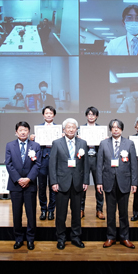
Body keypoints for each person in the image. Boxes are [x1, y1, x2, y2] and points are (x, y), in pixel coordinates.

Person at [96, 119, 138, 249]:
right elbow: (99, 165)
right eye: (113, 127)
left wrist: (134, 182)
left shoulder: (129, 143)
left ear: (122, 129)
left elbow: (134, 165)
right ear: (110, 129)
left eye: (118, 127)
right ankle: (111, 237)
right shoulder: (103, 143)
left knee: (124, 212)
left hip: (124, 182)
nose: (115, 129)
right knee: (110, 212)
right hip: (108, 181)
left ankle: (125, 237)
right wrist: (99, 182)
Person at [49, 118, 89, 250]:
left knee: (76, 213)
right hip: (61, 183)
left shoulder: (83, 143)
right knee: (61, 214)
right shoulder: (57, 143)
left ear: (77, 129)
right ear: (64, 129)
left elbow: (86, 164)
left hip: (77, 183)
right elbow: (52, 164)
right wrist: (54, 182)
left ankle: (76, 237)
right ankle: (61, 238)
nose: (71, 129)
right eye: (68, 127)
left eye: (73, 127)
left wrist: (86, 181)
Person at [5, 121, 41, 250]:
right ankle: (18, 238)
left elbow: (37, 164)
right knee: (17, 214)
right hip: (15, 185)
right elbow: (8, 164)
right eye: (20, 130)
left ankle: (30, 239)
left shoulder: (35, 146)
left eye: (25, 130)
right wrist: (19, 179)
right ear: (16, 132)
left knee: (31, 214)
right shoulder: (10, 145)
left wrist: (28, 179)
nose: (23, 132)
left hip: (30, 185)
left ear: (29, 132)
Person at [30, 106, 57, 220]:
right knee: (41, 186)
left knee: (53, 186)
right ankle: (43, 209)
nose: (49, 115)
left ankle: (51, 210)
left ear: (54, 115)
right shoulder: (38, 129)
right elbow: (33, 145)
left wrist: (63, 137)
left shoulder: (58, 129)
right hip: (41, 159)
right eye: (46, 113)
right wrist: (32, 138)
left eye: (51, 113)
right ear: (43, 115)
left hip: (55, 159)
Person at [79, 106, 105, 220]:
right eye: (89, 114)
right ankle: (81, 209)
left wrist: (105, 140)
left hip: (96, 158)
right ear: (86, 116)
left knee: (99, 185)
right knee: (82, 185)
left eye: (93, 114)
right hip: (84, 159)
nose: (91, 116)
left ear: (96, 116)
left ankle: (99, 210)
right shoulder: (81, 129)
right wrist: (78, 138)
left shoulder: (101, 130)